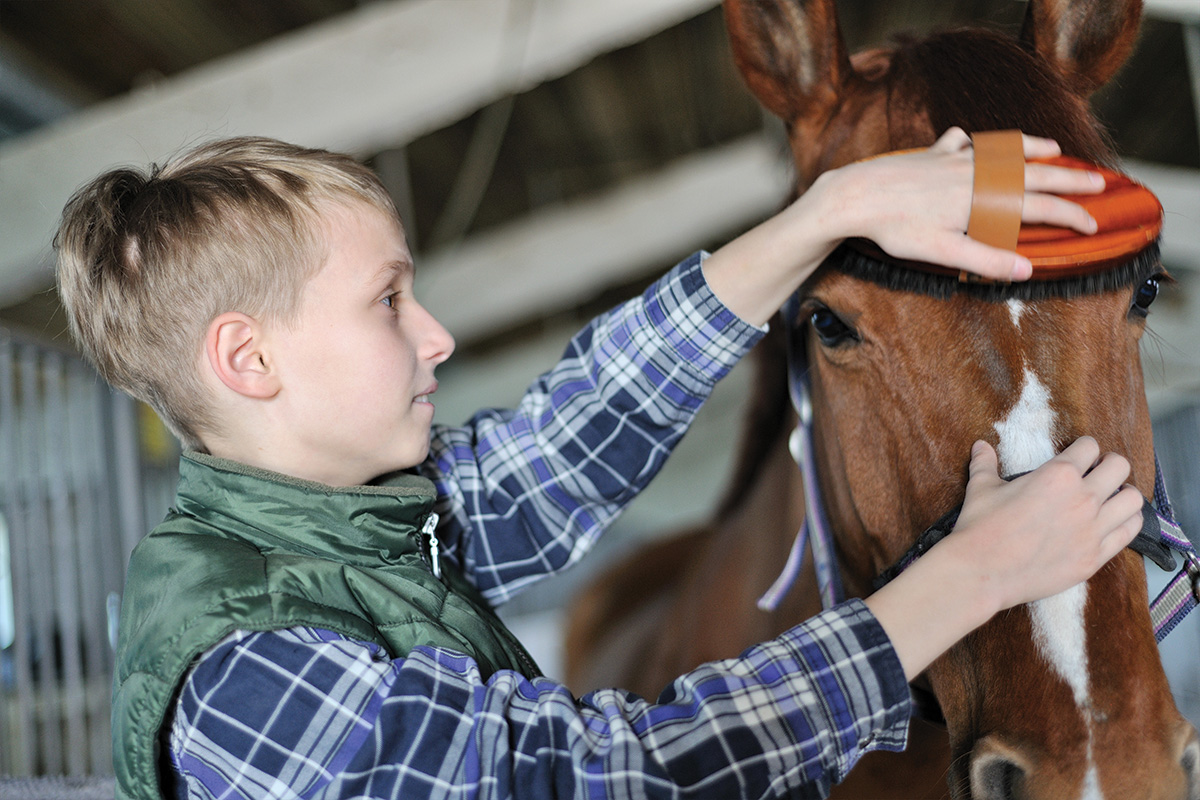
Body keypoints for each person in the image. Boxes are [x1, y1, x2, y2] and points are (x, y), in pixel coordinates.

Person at [55, 128, 1142, 800]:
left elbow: (564, 443)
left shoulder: (341, 528)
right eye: (388, 299)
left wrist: (827, 215)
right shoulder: (241, 672)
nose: (435, 335)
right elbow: (601, 781)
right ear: (248, 359)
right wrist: (963, 584)